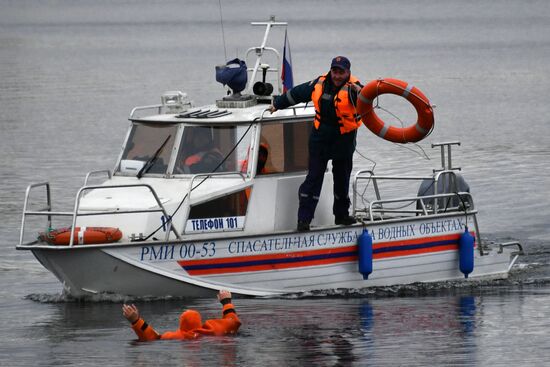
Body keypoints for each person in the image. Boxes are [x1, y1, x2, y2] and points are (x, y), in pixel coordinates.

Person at [269, 56, 362, 231]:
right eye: (335, 71)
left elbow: (369, 101)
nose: (337, 75)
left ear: (348, 73)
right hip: (320, 139)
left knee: (342, 179)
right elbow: (296, 93)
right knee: (313, 179)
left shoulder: (355, 89)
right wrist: (277, 104)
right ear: (331, 71)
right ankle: (303, 220)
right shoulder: (319, 83)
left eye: (341, 72)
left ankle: (341, 216)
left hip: (344, 140)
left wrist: (361, 93)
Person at [122, 289, 241, 341]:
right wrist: (226, 302)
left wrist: (136, 321)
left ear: (181, 324)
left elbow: (152, 338)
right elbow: (233, 322)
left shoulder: (175, 336)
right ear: (200, 322)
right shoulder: (212, 329)